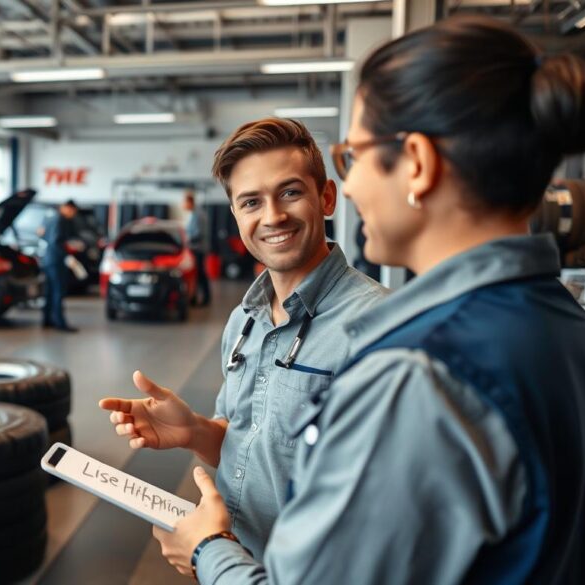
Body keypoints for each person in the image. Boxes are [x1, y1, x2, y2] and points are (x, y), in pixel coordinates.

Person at [153, 16, 585, 584]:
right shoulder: (565, 324)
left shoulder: (415, 370)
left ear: (416, 163)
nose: (351, 186)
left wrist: (208, 547)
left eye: (352, 158)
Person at [100, 118, 387, 557]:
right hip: (238, 560)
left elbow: (386, 509)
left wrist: (209, 555)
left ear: (326, 197)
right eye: (251, 202)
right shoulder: (242, 322)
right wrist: (195, 431)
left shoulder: (378, 326)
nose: (272, 217)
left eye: (290, 192)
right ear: (235, 215)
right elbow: (247, 445)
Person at [42, 199, 79, 332]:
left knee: (49, 291)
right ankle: (60, 323)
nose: (73, 215)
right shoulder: (60, 220)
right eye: (73, 211)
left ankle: (47, 320)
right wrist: (67, 256)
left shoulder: (49, 218)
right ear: (68, 208)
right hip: (57, 261)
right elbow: (56, 241)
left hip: (47, 259)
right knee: (58, 291)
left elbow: (41, 234)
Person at [183, 190, 211, 306]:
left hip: (198, 249)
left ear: (190, 202)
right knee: (196, 274)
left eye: (184, 203)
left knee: (200, 274)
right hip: (196, 249)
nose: (183, 206)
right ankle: (194, 298)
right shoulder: (195, 213)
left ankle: (205, 298)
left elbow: (198, 233)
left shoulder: (198, 215)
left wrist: (186, 239)